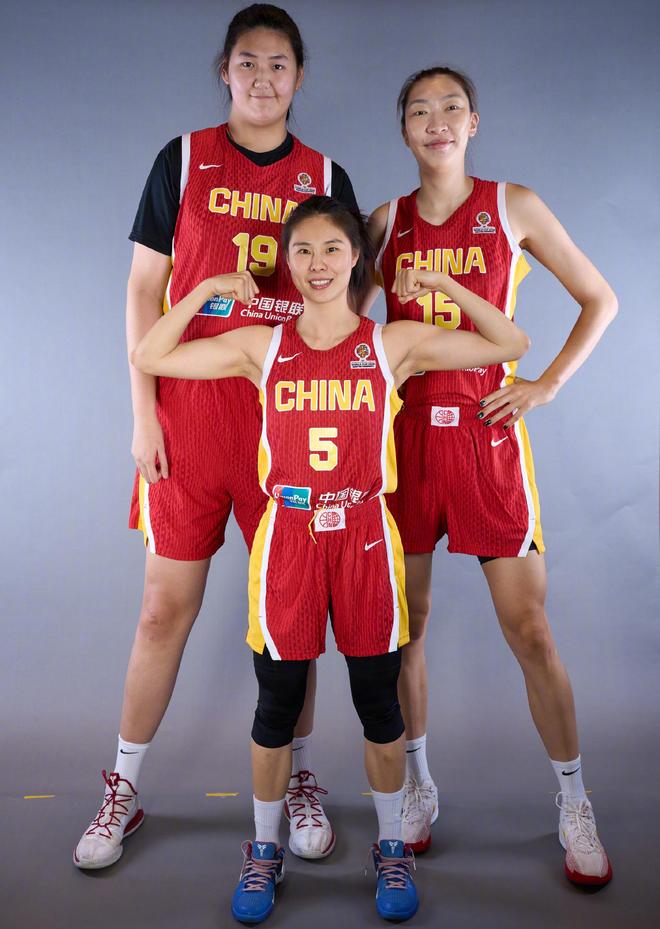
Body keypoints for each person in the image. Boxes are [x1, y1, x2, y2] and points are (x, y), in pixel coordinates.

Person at [131, 195, 529, 922]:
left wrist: (447, 286)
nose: (318, 264)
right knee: (276, 704)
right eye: (303, 250)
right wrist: (207, 288)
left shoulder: (391, 342)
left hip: (366, 536)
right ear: (287, 261)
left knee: (378, 702)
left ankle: (391, 847)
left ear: (356, 260)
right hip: (289, 534)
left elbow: (510, 342)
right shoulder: (261, 345)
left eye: (333, 249)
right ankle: (263, 849)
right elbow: (150, 356)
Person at [73, 4, 359, 871]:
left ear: (300, 77)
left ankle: (298, 777)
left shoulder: (325, 173)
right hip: (190, 419)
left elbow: (346, 303)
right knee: (163, 608)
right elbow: (142, 291)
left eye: (279, 64)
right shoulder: (184, 158)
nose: (262, 78)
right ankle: (123, 787)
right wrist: (143, 412)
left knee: (292, 617)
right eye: (247, 63)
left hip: (287, 421)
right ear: (224, 72)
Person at [367, 66, 617, 885]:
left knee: (530, 630)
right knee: (405, 629)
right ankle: (418, 785)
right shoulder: (384, 223)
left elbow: (600, 298)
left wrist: (546, 383)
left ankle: (574, 800)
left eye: (451, 108)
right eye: (419, 111)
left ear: (473, 122)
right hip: (405, 442)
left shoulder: (513, 206)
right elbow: (334, 320)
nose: (436, 121)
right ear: (404, 129)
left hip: (486, 435)